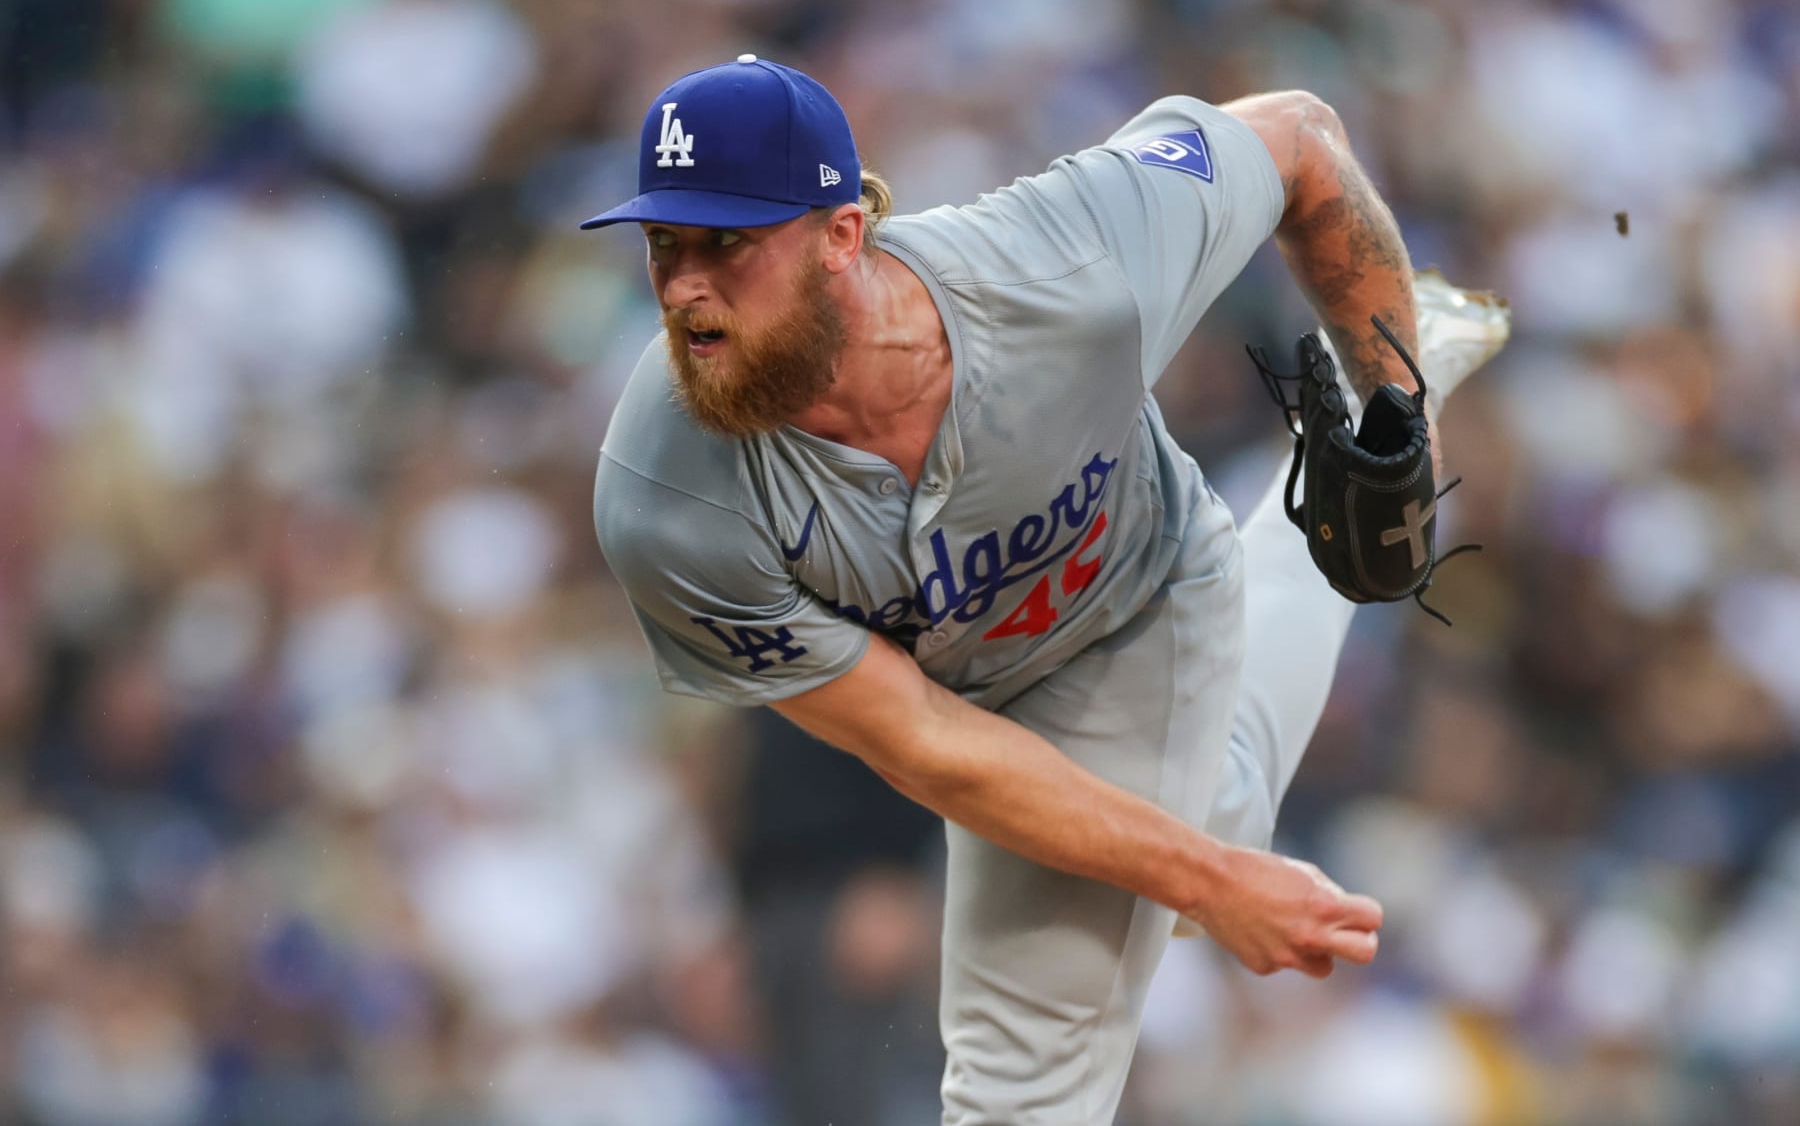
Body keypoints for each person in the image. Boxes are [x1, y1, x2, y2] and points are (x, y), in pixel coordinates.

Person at [582, 55, 1507, 1124]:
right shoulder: (665, 493)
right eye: (664, 244)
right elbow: (923, 742)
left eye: (727, 243)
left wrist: (1397, 405)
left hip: (1138, 604)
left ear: (843, 235)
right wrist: (1207, 880)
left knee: (1022, 1093)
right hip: (966, 700)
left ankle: (1401, 359)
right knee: (1218, 829)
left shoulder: (1067, 259)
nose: (685, 284)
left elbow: (1298, 137)